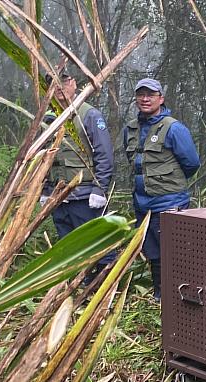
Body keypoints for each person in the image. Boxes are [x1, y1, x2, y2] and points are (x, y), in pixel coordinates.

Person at [122, 78, 200, 300]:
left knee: (172, 250)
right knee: (151, 250)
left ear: (161, 99)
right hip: (142, 202)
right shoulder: (131, 128)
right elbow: (133, 160)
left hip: (169, 201)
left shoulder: (174, 128)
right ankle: (160, 293)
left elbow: (192, 163)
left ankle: (177, 295)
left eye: (151, 95)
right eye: (141, 95)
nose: (145, 99)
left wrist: (170, 185)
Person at [41, 70, 115, 277]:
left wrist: (99, 190)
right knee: (70, 248)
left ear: (73, 83)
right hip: (58, 196)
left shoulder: (89, 115)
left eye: (63, 81)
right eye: (53, 84)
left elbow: (104, 154)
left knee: (96, 244)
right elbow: (44, 158)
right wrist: (45, 190)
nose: (59, 87)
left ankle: (104, 290)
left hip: (85, 196)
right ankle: (80, 290)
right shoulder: (48, 119)